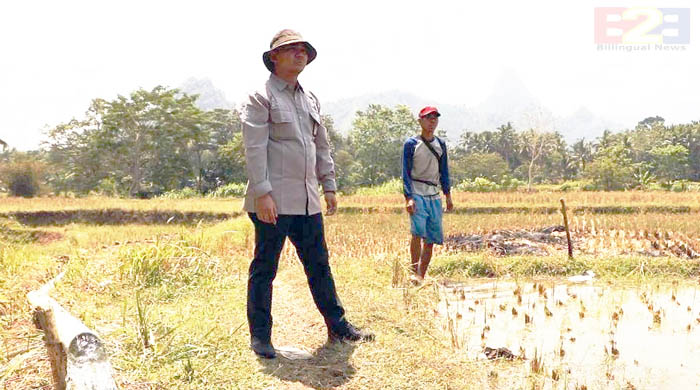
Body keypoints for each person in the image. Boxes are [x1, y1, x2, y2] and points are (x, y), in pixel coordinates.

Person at [241, 29, 374, 359]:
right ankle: (261, 336)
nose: (300, 54)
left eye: (303, 50)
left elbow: (321, 146)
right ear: (274, 57)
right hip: (273, 200)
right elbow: (254, 148)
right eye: (291, 50)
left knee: (319, 264)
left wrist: (328, 185)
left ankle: (338, 325)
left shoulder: (310, 98)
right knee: (265, 268)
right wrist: (263, 194)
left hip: (307, 200)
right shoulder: (261, 97)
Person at [402, 106, 453, 283]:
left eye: (435, 118)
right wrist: (408, 197)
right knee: (417, 232)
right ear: (420, 121)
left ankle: (420, 276)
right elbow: (406, 172)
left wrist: (448, 195)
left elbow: (444, 171)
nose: (432, 121)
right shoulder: (411, 144)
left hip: (434, 193)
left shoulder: (441, 145)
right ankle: (413, 270)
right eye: (428, 118)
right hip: (417, 191)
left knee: (431, 236)